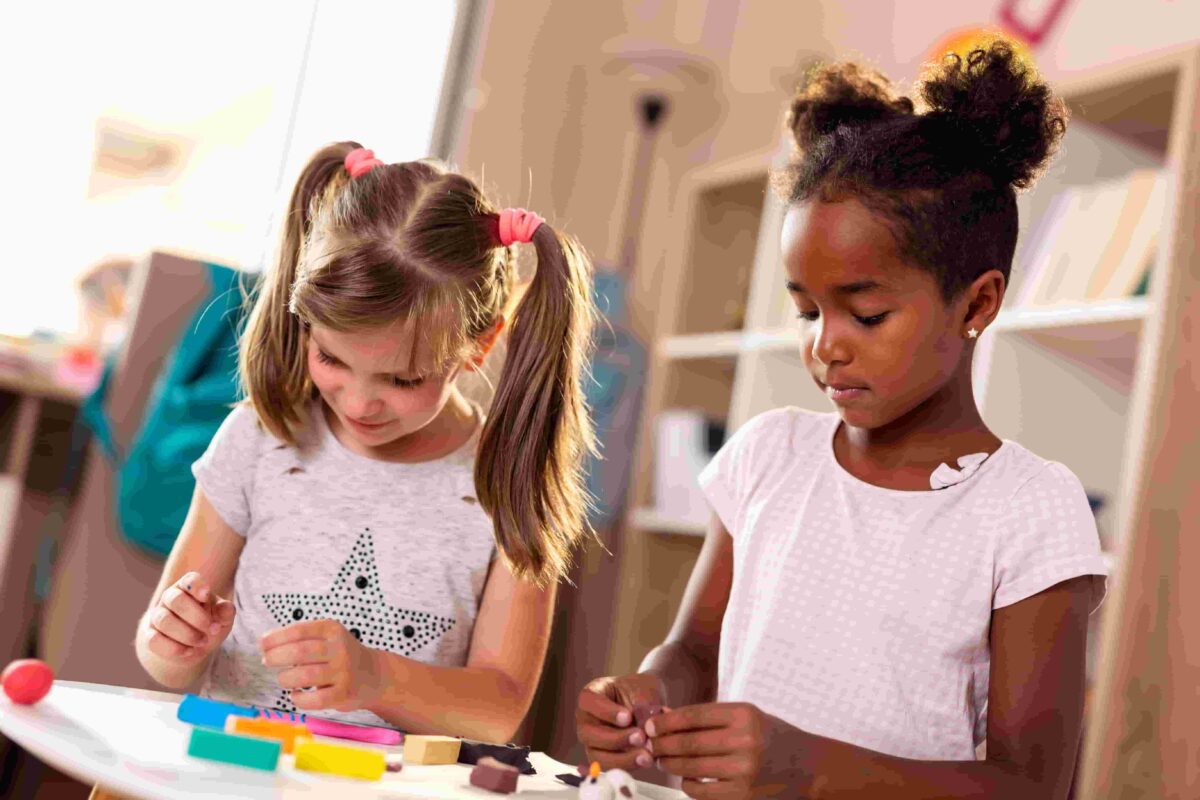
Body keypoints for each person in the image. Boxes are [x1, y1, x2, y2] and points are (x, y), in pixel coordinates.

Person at [577, 42, 1107, 798]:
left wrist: (812, 767)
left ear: (978, 304)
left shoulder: (1028, 511)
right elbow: (695, 649)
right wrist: (651, 693)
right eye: (806, 310)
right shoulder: (769, 454)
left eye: (866, 313)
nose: (825, 345)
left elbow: (1031, 785)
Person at [134, 142, 596, 743]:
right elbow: (166, 657)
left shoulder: (508, 485)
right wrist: (173, 641)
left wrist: (377, 678)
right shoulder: (258, 438)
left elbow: (501, 707)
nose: (357, 403)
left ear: (479, 345)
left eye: (402, 380)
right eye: (331, 357)